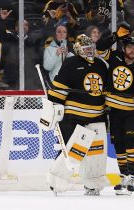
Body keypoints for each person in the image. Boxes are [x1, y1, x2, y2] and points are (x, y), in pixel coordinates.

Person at [96, 27, 134, 195]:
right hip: (115, 109)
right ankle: (123, 176)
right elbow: (100, 47)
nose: (133, 50)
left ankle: (132, 177)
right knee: (119, 145)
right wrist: (115, 36)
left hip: (133, 111)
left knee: (132, 143)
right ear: (123, 48)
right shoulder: (114, 57)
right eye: (129, 47)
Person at [46, 34, 109, 196]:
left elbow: (107, 91)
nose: (89, 52)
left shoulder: (101, 64)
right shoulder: (71, 63)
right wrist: (53, 105)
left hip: (97, 117)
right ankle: (57, 182)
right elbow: (58, 92)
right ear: (79, 50)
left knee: (97, 154)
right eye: (86, 49)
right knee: (73, 151)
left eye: (91, 48)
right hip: (75, 117)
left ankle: (93, 184)